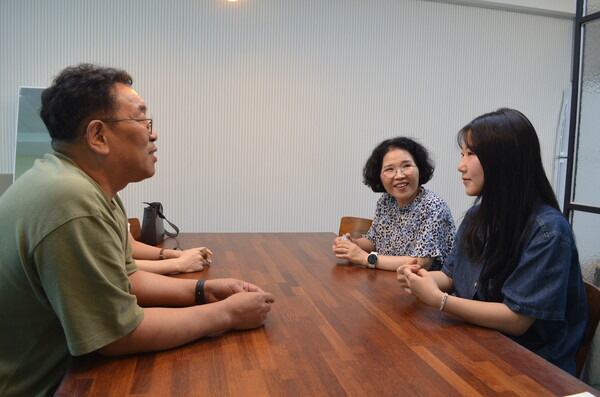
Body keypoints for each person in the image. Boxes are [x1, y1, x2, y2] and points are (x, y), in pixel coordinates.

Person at [0, 64, 275, 397]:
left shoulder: (83, 185)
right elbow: (116, 336)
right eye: (143, 120)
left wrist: (204, 290)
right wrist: (226, 314)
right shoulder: (71, 200)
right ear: (98, 136)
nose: (153, 133)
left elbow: (127, 277)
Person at [398, 108, 587, 375]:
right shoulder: (478, 215)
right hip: (476, 347)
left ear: (504, 160)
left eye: (470, 154)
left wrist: (439, 300)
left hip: (529, 368)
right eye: (462, 154)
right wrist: (420, 279)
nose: (460, 165)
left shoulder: (548, 231)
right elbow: (452, 275)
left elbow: (516, 320)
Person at [332, 137, 455, 272]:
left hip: (425, 288)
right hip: (388, 280)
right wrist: (352, 245)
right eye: (389, 169)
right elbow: (373, 241)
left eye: (406, 166)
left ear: (419, 168)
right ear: (379, 175)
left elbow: (421, 262)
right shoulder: (386, 201)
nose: (399, 175)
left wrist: (365, 258)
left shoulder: (433, 206)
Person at [129, 229, 213, 274]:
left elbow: (130, 245)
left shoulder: (117, 198)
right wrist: (180, 263)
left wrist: (179, 254)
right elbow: (120, 267)